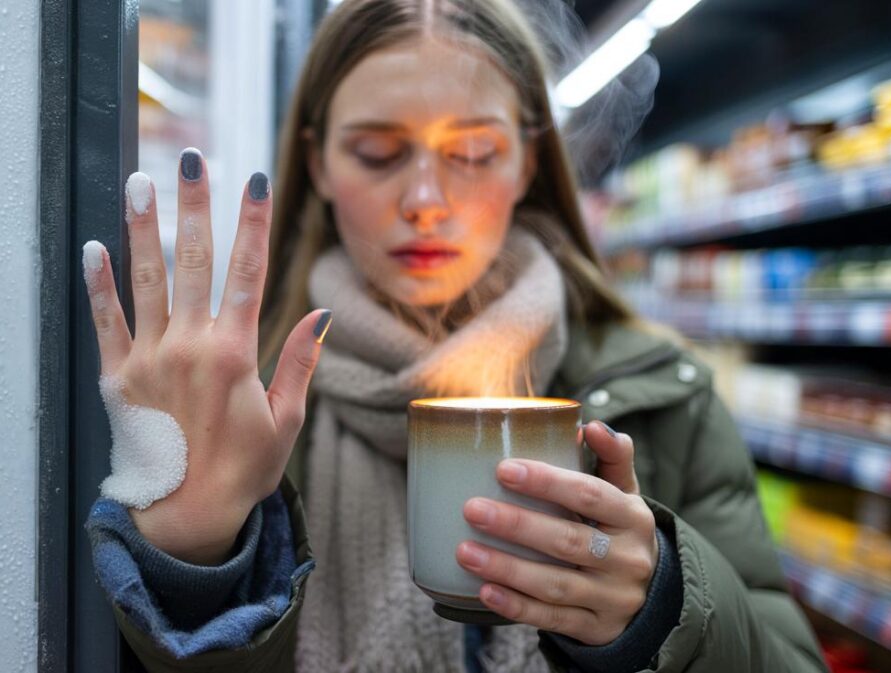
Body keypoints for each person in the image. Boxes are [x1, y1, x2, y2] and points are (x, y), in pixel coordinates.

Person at [83, 0, 829, 671]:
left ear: (528, 162)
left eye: (471, 154)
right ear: (318, 162)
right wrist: (195, 564)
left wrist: (663, 603)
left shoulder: (663, 392)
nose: (425, 202)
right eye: (377, 153)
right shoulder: (238, 407)